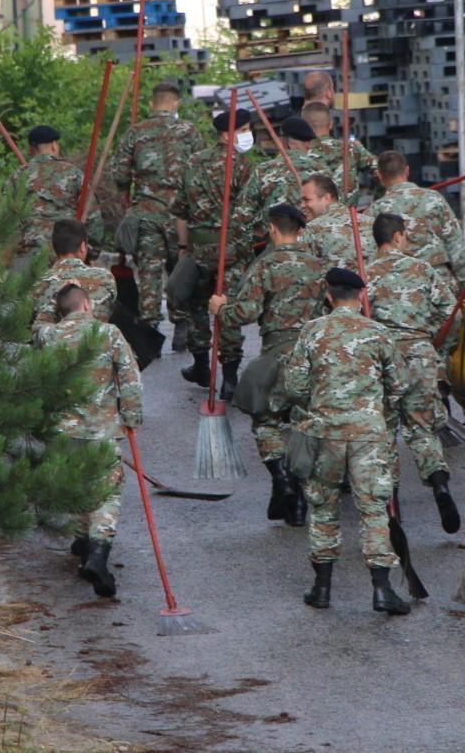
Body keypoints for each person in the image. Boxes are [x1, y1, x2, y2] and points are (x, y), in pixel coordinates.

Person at [287, 268, 414, 616]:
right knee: (373, 509)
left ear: (328, 296)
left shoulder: (312, 332)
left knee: (324, 507)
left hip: (324, 432)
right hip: (368, 435)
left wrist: (319, 403)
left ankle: (322, 587)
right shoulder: (378, 333)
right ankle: (382, 589)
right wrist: (375, 408)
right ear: (361, 296)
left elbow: (294, 387)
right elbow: (401, 383)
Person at [209, 204, 328, 526]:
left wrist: (220, 310)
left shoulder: (265, 266)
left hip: (278, 351)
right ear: (300, 230)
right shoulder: (319, 266)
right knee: (307, 424)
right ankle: (300, 497)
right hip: (314, 355)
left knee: (265, 420)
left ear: (273, 229)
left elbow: (244, 313)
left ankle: (281, 479)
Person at [34, 284, 143, 598]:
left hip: (61, 432)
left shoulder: (47, 336)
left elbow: (37, 333)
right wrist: (132, 418)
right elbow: (130, 377)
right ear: (86, 305)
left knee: (78, 484)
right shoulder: (108, 334)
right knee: (107, 492)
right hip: (101, 431)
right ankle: (98, 552)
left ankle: (82, 541)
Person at [363, 212, 461, 533]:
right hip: (420, 354)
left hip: (383, 358)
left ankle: (393, 508)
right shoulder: (423, 269)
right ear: (398, 237)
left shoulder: (365, 273)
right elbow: (452, 314)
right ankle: (440, 485)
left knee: (385, 432)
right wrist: (434, 344)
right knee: (422, 429)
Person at [171, 108, 257, 389]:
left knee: (197, 307)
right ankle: (230, 377)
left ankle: (201, 366)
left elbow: (181, 212)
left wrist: (184, 247)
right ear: (227, 133)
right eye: (243, 129)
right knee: (227, 308)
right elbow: (253, 210)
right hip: (232, 250)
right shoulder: (243, 166)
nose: (247, 135)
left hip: (199, 248)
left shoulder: (193, 163)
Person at [112, 82, 199, 337]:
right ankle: (181, 320)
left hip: (147, 212)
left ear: (152, 104)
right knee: (179, 266)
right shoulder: (189, 132)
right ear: (176, 105)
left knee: (149, 271)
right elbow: (202, 170)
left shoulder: (135, 132)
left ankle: (150, 328)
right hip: (180, 215)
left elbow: (119, 175)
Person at [366, 150, 465, 290]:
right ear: (407, 170)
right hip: (439, 281)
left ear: (379, 176)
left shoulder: (375, 210)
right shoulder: (434, 199)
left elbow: (369, 254)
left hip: (400, 285)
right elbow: (456, 245)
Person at [234, 115, 323, 257]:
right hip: (315, 247)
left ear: (283, 142)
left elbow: (242, 215)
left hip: (274, 247)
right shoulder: (322, 171)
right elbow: (336, 207)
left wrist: (247, 251)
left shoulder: (264, 170)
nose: (308, 146)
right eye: (307, 142)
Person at [14, 125, 95, 256]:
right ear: (54, 145)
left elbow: (4, 217)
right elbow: (93, 215)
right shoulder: (74, 173)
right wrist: (91, 252)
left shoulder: (19, 176)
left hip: (29, 251)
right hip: (65, 251)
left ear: (31, 149)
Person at [32, 219, 117, 325]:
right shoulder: (104, 277)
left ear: (54, 248)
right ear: (82, 246)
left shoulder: (37, 283)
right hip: (95, 340)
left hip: (54, 340)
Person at [301, 100, 378, 207]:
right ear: (331, 124)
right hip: (349, 218)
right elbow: (382, 173)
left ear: (303, 127)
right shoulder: (351, 148)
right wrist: (375, 204)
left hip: (314, 220)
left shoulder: (301, 155)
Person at [299, 173, 361, 271]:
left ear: (327, 198)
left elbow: (303, 271)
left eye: (307, 200)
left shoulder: (311, 229)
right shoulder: (370, 222)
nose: (302, 205)